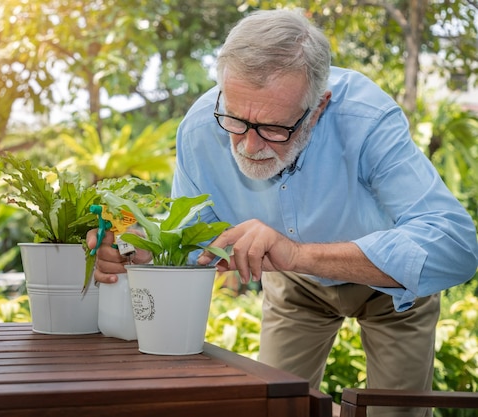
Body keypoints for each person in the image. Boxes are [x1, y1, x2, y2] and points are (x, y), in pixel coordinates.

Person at [87, 9, 478, 417]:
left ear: (319, 106)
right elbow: (195, 239)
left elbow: (456, 247)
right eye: (236, 120)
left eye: (275, 128)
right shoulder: (201, 129)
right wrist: (142, 254)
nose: (250, 146)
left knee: (396, 412)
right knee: (275, 405)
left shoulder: (367, 119)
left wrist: (297, 254)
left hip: (389, 285)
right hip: (294, 285)